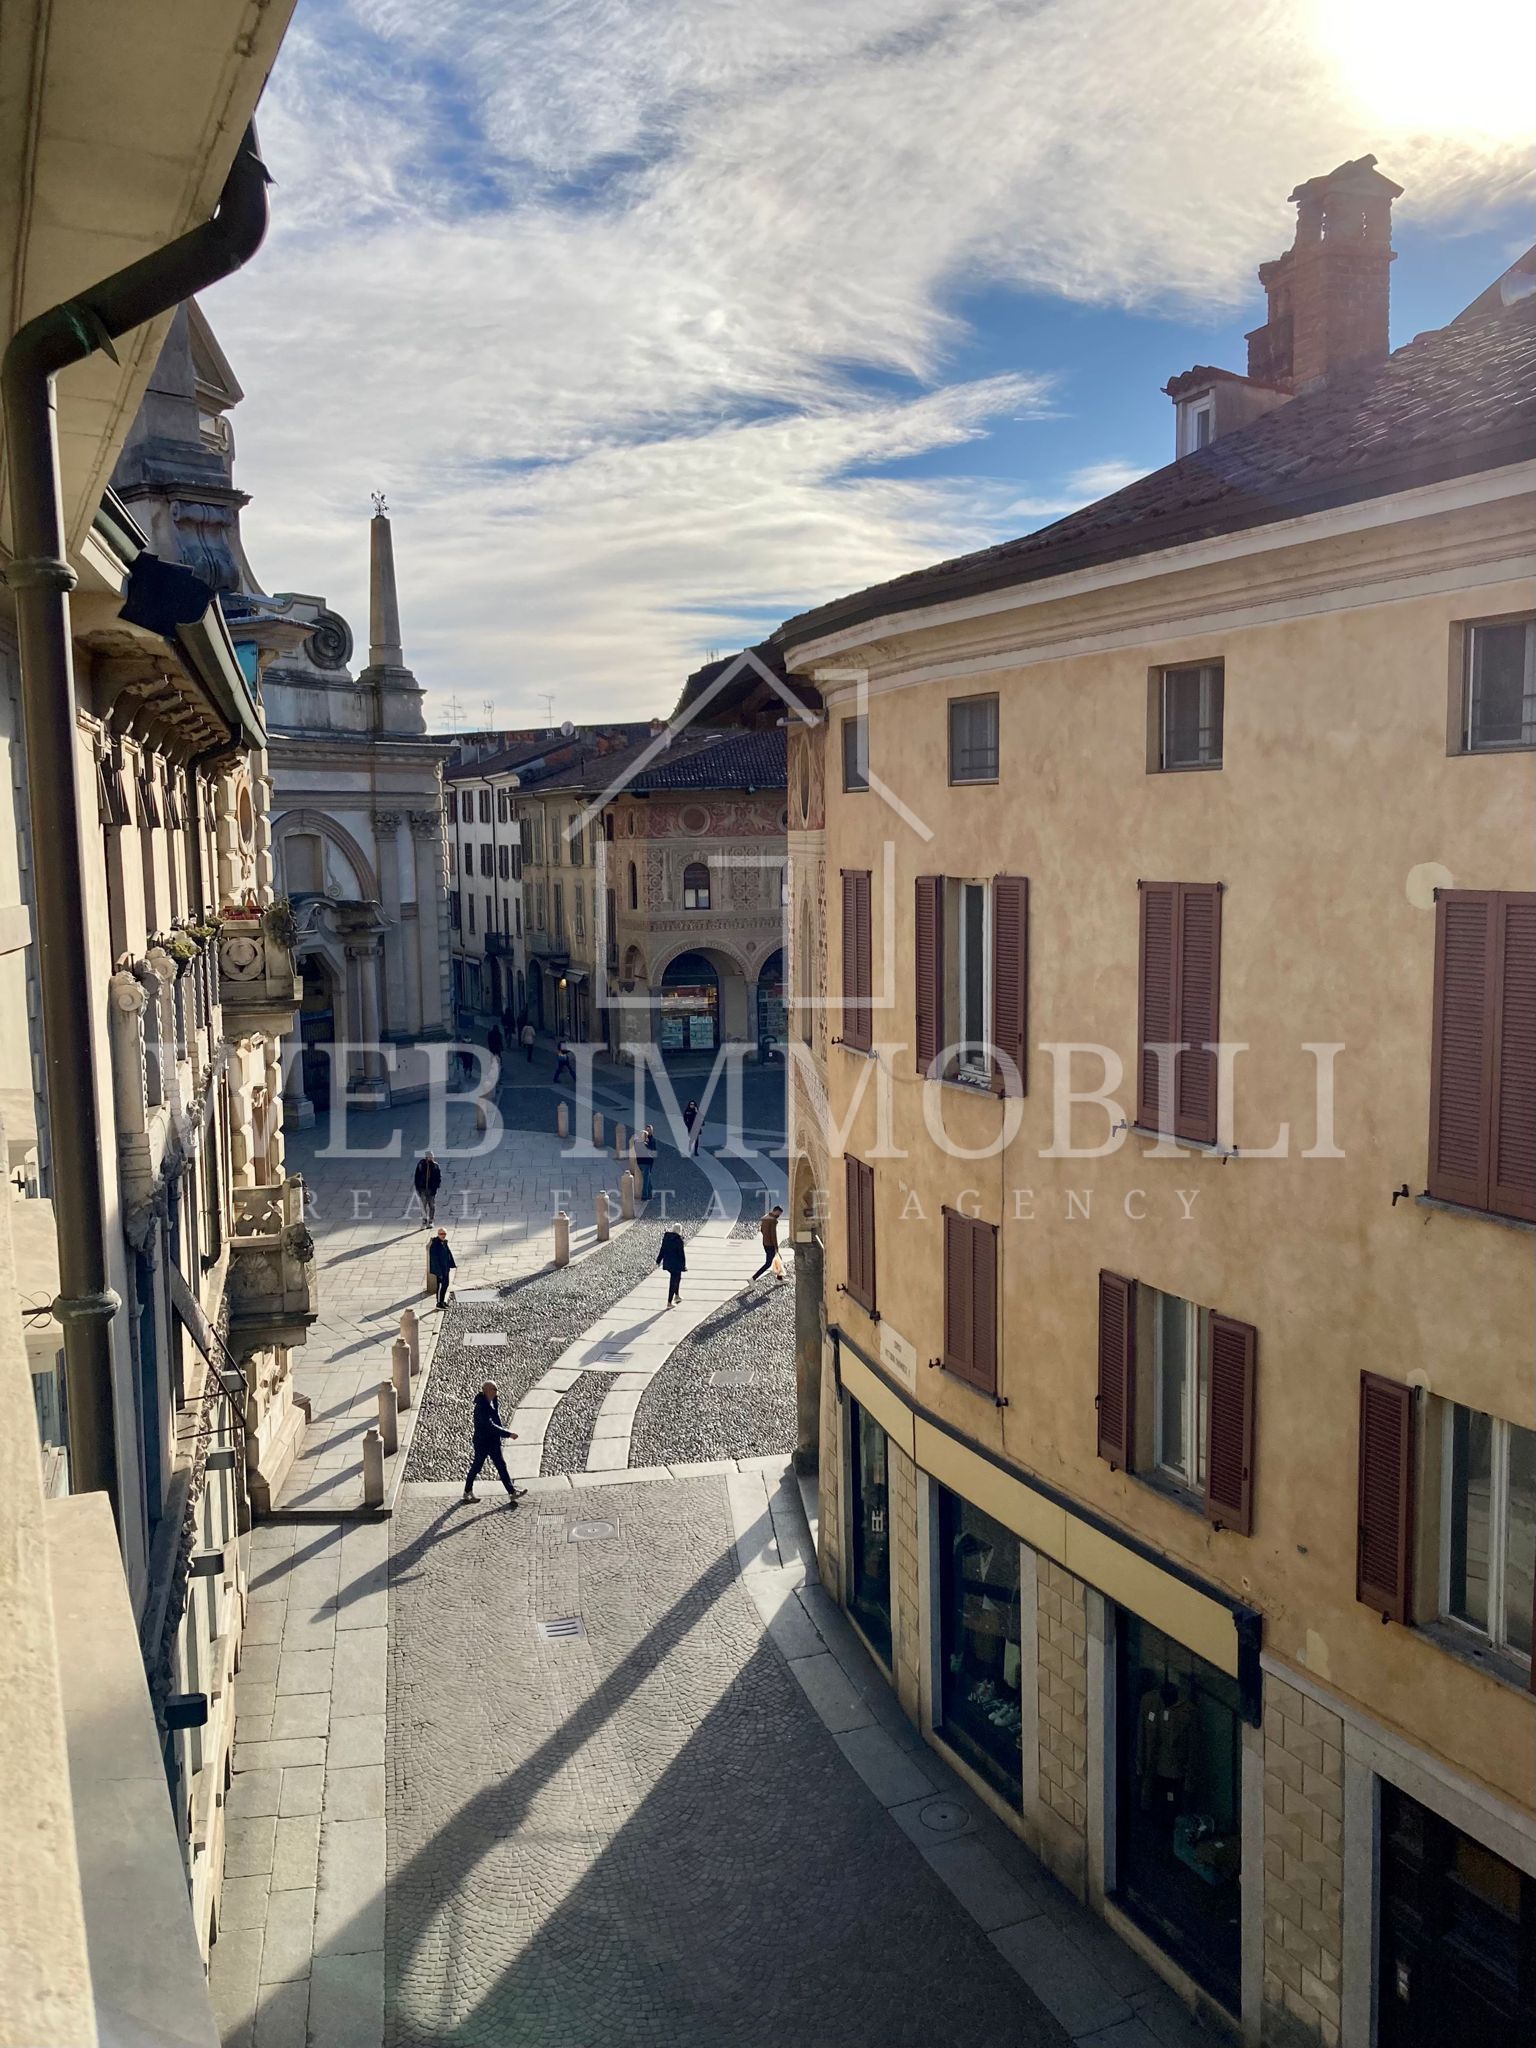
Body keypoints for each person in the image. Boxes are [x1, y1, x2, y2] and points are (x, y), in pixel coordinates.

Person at [462, 1381, 524, 1504]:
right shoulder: (481, 1407)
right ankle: (467, 1491)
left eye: (496, 1390)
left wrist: (495, 1405)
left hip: (492, 1442)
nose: (496, 1392)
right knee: (477, 1466)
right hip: (483, 1442)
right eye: (494, 1390)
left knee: (501, 1466)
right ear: (486, 1390)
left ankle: (512, 1492)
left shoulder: (491, 1403)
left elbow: (496, 1420)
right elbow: (491, 1426)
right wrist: (508, 1434)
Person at [656, 1226, 686, 1308]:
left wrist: (658, 1260)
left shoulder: (666, 1238)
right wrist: (683, 1266)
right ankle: (669, 1302)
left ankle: (677, 1295)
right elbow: (681, 1254)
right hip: (676, 1264)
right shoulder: (679, 1240)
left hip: (668, 1263)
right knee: (674, 1281)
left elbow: (662, 1250)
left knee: (677, 1278)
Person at [753, 1205, 785, 1280]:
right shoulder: (772, 1220)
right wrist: (776, 1247)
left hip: (765, 1243)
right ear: (776, 1212)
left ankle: (779, 1278)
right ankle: (753, 1278)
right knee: (768, 1263)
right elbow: (773, 1235)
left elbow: (762, 1230)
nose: (779, 1216)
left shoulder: (765, 1218)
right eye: (779, 1214)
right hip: (770, 1245)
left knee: (778, 1259)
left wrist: (766, 1237)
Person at [428, 1227, 456, 1309]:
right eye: (441, 1234)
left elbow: (448, 1254)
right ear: (438, 1234)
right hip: (440, 1270)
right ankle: (439, 1303)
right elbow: (434, 1259)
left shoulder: (444, 1243)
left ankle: (442, 1301)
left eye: (444, 1234)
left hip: (446, 1268)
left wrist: (451, 1264)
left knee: (445, 1285)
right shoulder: (435, 1245)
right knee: (440, 1286)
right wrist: (438, 1272)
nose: (443, 1236)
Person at [412, 1149, 442, 1225]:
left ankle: (431, 1220)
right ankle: (424, 1219)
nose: (431, 1158)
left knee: (432, 1205)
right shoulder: (421, 1165)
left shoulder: (435, 1166)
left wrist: (436, 1187)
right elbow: (417, 1176)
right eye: (429, 1157)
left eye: (432, 1157)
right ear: (426, 1157)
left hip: (431, 1189)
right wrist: (418, 1186)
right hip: (422, 1188)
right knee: (423, 1204)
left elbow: (438, 1178)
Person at [636, 1124, 656, 1201]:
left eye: (649, 1129)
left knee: (648, 1179)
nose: (648, 1131)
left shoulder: (638, 1142)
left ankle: (650, 1194)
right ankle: (644, 1196)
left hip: (641, 1163)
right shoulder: (648, 1142)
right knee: (646, 1181)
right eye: (647, 1130)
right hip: (646, 1163)